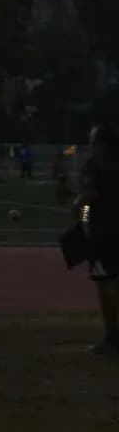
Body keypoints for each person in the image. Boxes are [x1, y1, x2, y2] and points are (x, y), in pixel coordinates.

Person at [76, 125, 119, 354]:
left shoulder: (93, 165)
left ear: (101, 144)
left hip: (103, 234)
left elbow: (87, 200)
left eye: (92, 141)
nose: (90, 144)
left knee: (105, 284)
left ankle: (112, 337)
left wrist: (81, 217)